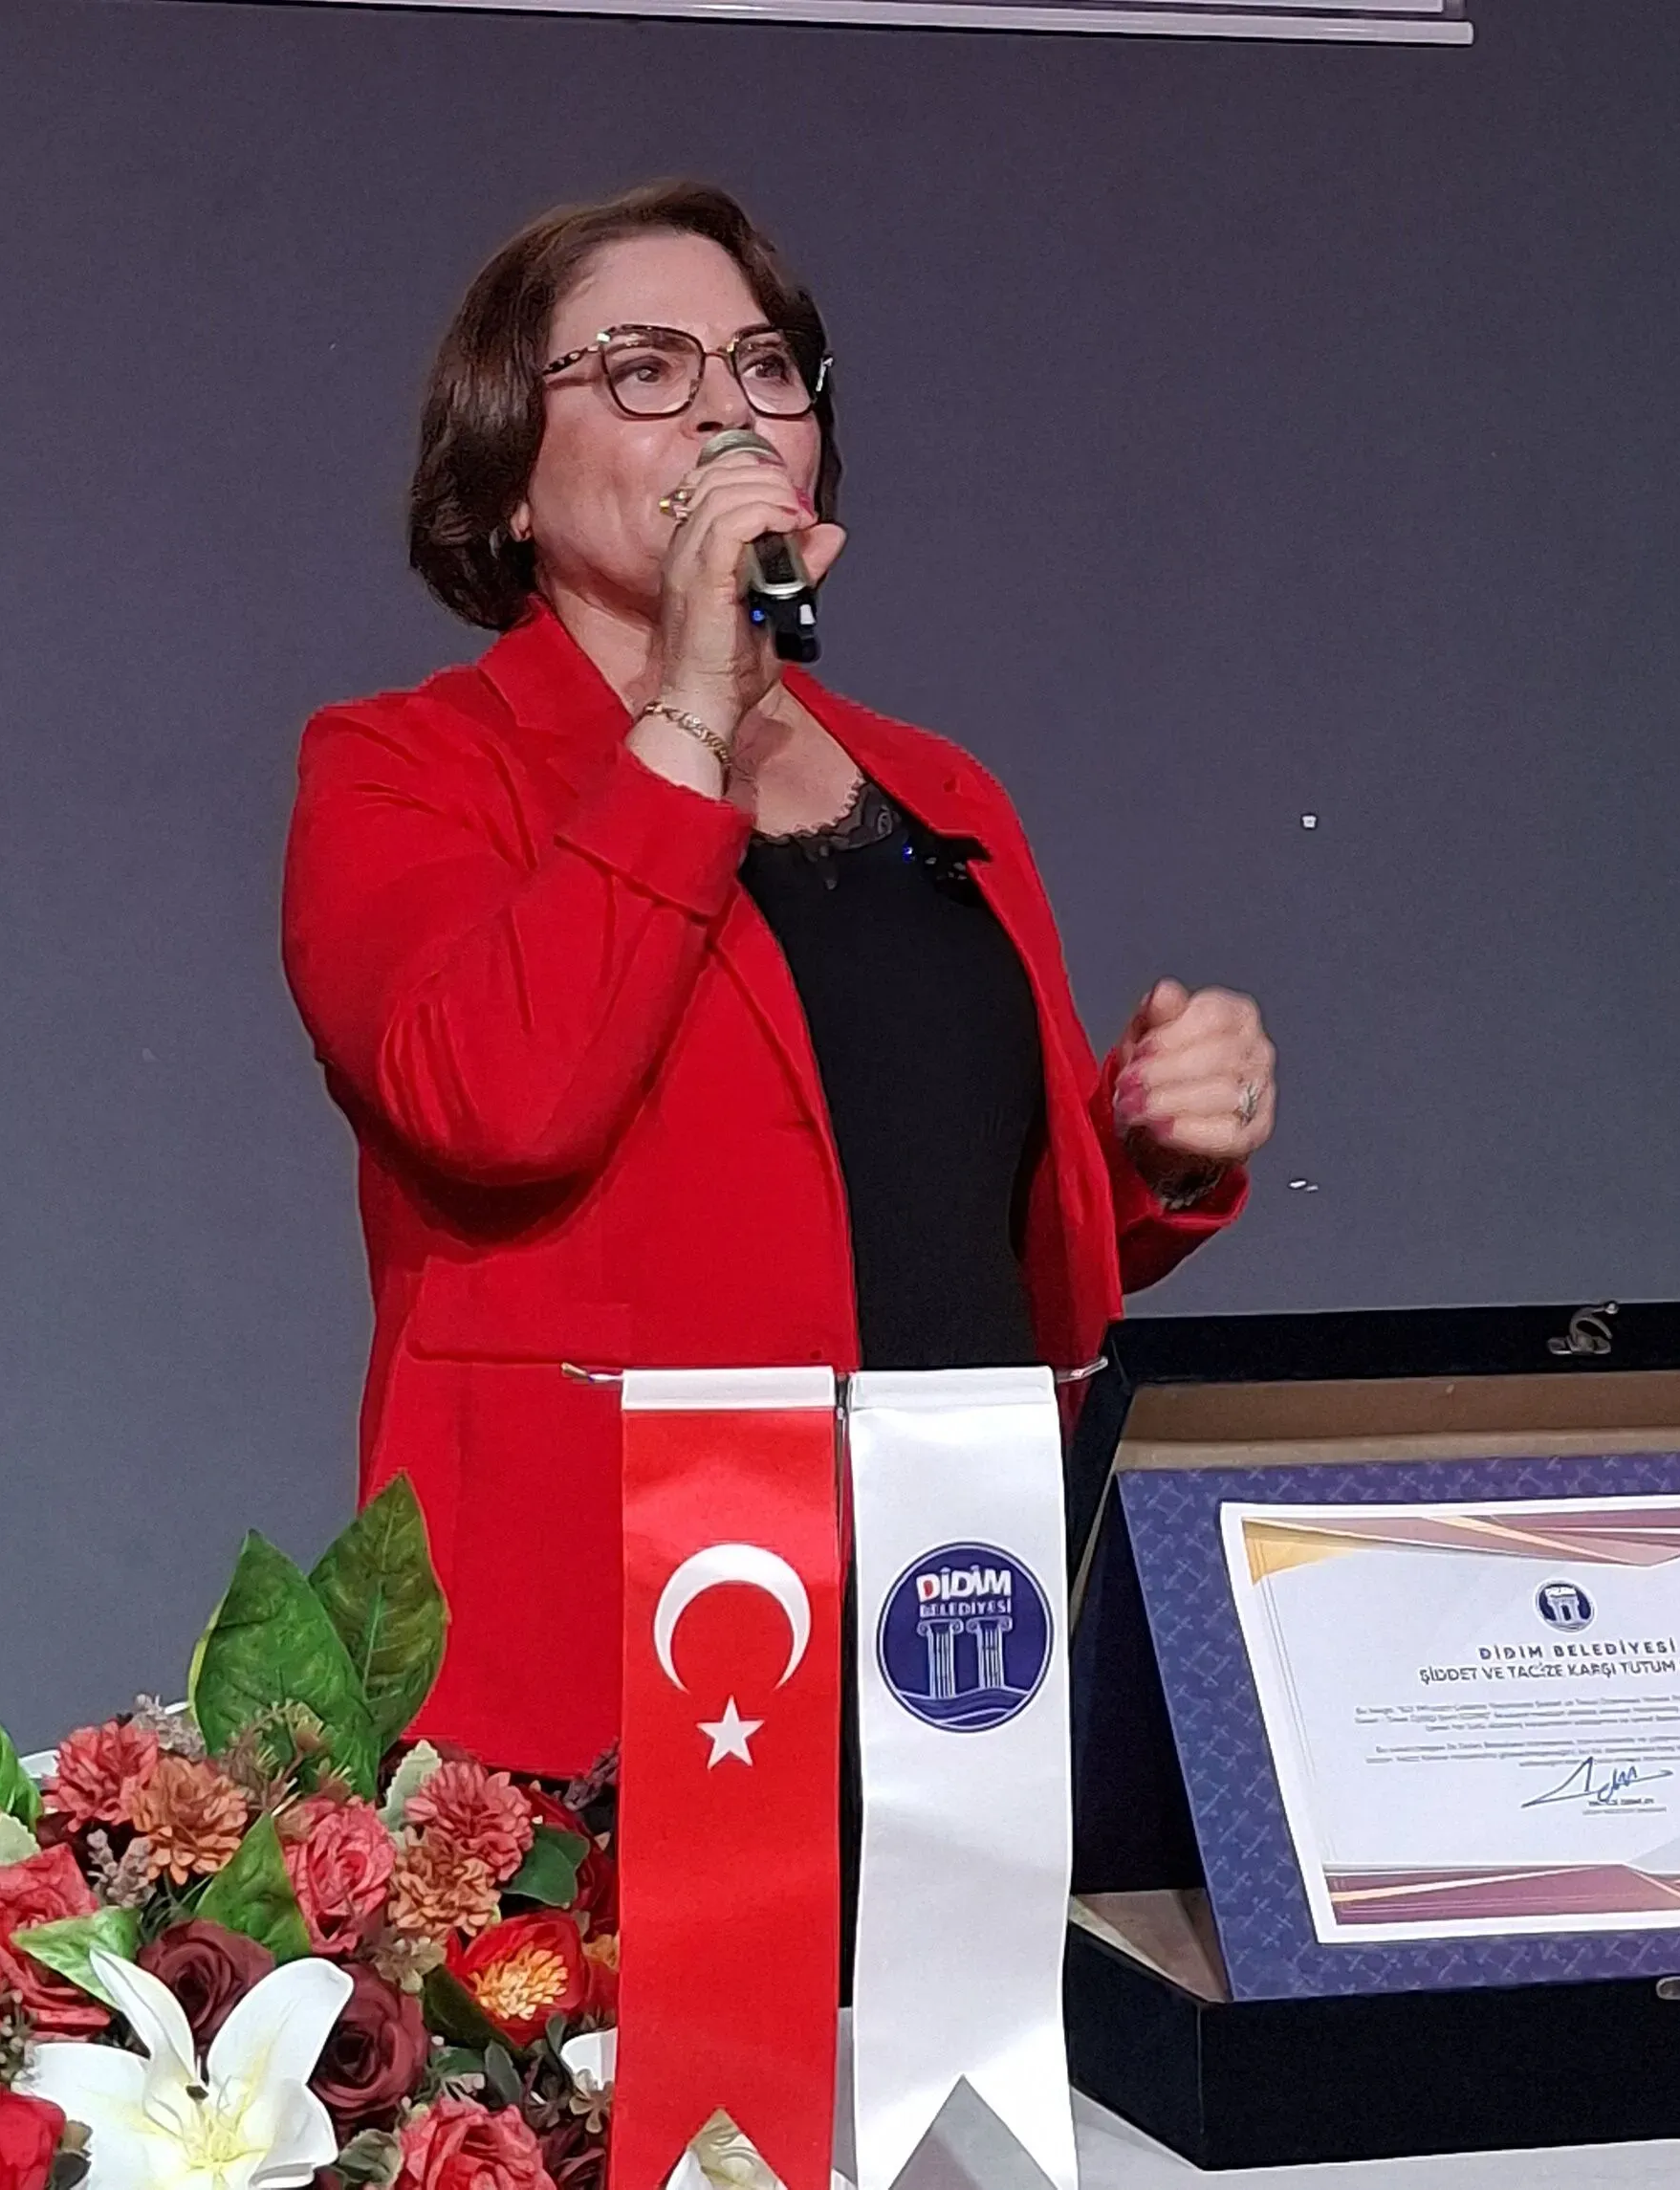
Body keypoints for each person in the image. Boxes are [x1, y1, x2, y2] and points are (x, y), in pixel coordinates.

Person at [282, 181, 1276, 1781]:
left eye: (762, 367)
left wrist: (1142, 1149)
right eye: (644, 370)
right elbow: (499, 1102)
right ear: (506, 481)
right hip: (616, 1667)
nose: (727, 413)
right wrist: (688, 706)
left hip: (953, 1642)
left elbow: (943, 1221)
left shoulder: (936, 786)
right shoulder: (405, 769)